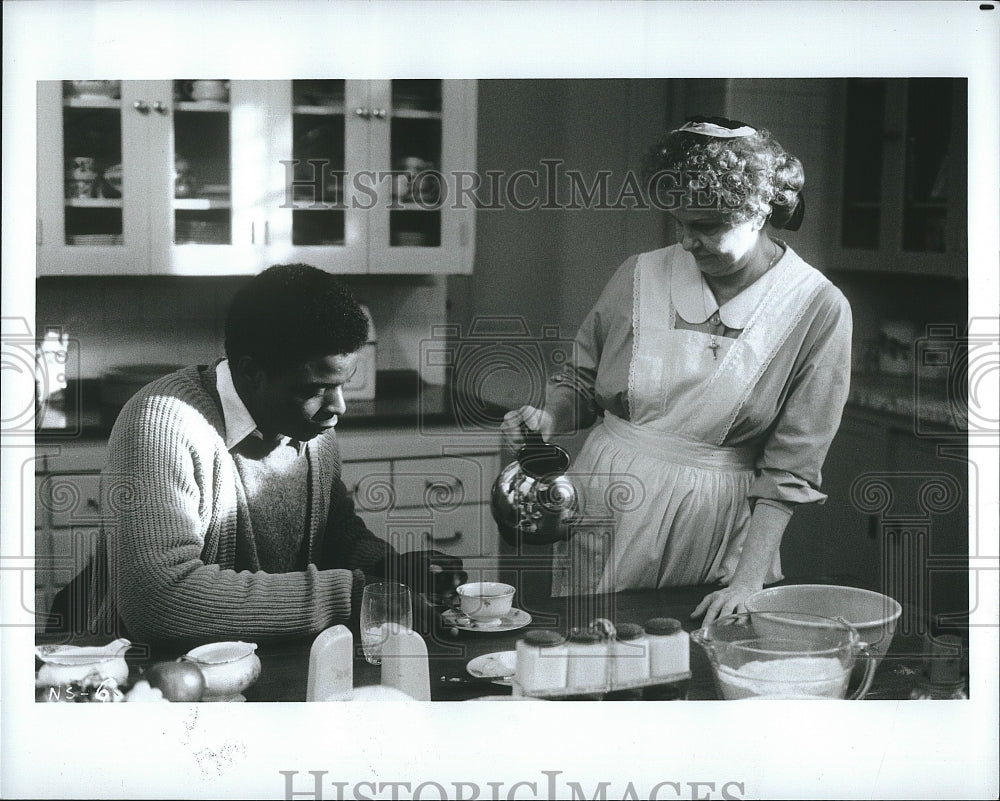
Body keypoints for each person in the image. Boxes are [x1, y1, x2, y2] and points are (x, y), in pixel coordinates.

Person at [501, 116, 853, 625]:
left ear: (757, 213)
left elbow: (792, 466)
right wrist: (548, 418)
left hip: (717, 522)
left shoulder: (816, 307)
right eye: (679, 222)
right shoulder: (641, 274)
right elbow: (581, 381)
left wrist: (748, 579)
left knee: (688, 661)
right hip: (607, 496)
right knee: (592, 654)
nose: (687, 242)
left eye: (707, 226)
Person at [78, 263, 463, 646]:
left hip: (262, 664)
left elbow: (333, 531)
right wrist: (352, 596)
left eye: (342, 384)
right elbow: (158, 602)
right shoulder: (161, 425)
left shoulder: (311, 429)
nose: (339, 406)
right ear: (252, 373)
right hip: (146, 679)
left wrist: (387, 567)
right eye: (315, 389)